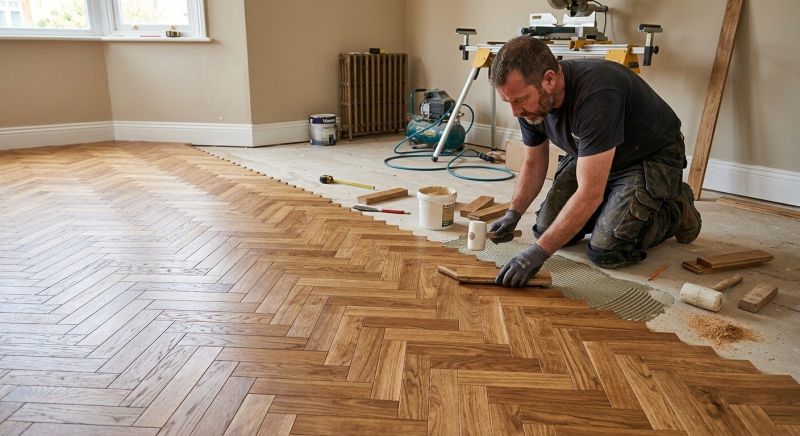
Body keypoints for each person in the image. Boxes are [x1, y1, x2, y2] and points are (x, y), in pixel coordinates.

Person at [488, 36, 702, 287]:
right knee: (545, 229)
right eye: (508, 101)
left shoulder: (597, 94)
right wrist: (514, 213)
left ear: (549, 79)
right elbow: (534, 163)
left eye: (520, 100)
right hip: (593, 156)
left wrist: (538, 253)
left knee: (607, 250)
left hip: (647, 157)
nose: (515, 112)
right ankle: (616, 203)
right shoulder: (531, 106)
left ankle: (677, 207)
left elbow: (590, 193)